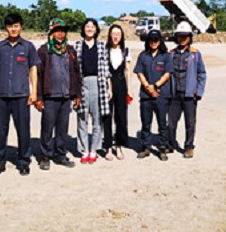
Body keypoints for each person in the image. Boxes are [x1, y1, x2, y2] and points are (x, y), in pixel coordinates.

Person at [0, 12, 40, 177]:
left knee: (23, 130)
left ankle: (24, 161)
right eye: (10, 26)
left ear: (21, 27)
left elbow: (33, 69)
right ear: (6, 28)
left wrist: (34, 92)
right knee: (0, 131)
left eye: (16, 26)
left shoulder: (28, 47)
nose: (13, 29)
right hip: (2, 95)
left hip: (22, 95)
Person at [35, 18, 81, 170]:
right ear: (51, 33)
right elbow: (38, 76)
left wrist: (77, 95)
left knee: (62, 128)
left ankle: (60, 155)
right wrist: (38, 98)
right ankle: (45, 156)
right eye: (56, 31)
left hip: (66, 96)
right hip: (49, 96)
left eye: (62, 31)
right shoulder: (43, 51)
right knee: (47, 127)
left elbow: (76, 73)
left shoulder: (70, 51)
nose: (60, 34)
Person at [168, 21, 207, 158]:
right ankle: (171, 144)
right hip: (174, 94)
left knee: (190, 123)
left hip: (190, 95)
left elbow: (202, 73)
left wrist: (199, 92)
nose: (183, 38)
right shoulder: (171, 54)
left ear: (190, 37)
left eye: (185, 36)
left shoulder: (195, 54)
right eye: (180, 35)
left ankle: (189, 147)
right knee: (171, 123)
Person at [74, 18, 110, 163]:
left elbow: (106, 68)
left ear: (96, 30)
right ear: (83, 29)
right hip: (82, 83)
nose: (89, 29)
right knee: (82, 117)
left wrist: (108, 87)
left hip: (98, 83)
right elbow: (74, 68)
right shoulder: (77, 45)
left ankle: (94, 149)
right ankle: (84, 150)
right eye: (87, 26)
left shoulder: (101, 46)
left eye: (92, 26)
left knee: (97, 118)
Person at [133, 29, 173, 160]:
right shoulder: (143, 56)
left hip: (161, 95)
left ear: (160, 41)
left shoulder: (166, 56)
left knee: (162, 124)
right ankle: (145, 147)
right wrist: (148, 87)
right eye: (151, 40)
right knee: (146, 123)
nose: (153, 42)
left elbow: (167, 74)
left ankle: (162, 148)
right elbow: (139, 72)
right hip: (146, 96)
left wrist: (155, 86)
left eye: (156, 40)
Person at [105, 23, 133, 160]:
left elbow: (128, 70)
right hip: (108, 84)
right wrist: (109, 87)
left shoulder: (125, 51)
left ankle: (119, 146)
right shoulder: (105, 50)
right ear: (110, 35)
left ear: (122, 36)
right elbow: (104, 70)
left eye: (118, 34)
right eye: (113, 33)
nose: (116, 36)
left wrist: (130, 89)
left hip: (121, 84)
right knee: (107, 116)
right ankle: (108, 147)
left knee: (121, 116)